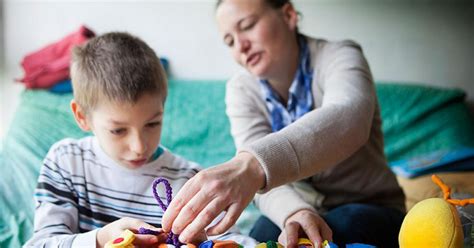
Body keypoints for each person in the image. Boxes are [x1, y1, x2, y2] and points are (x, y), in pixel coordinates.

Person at [162, 0, 406, 247]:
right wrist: (294, 212)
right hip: (299, 207)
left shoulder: (340, 56)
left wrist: (252, 166)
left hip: (371, 207)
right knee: (261, 235)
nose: (241, 46)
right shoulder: (242, 89)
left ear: (288, 15)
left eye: (247, 26)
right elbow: (260, 189)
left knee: (344, 225)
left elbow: (350, 117)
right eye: (230, 42)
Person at [23, 32, 256, 248]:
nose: (139, 147)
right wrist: (101, 239)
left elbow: (232, 240)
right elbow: (40, 244)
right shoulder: (66, 163)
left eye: (152, 124)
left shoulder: (189, 180)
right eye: (118, 130)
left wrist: (204, 240)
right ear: (82, 117)